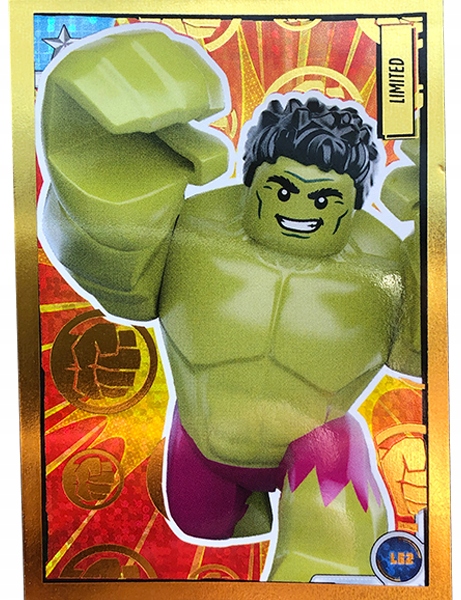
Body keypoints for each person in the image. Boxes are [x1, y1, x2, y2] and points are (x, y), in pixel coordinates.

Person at [37, 24, 421, 581]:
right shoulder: (192, 233)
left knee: (328, 533)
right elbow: (107, 253)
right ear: (255, 179)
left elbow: (424, 347)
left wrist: (439, 217)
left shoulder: (386, 265)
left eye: (324, 198)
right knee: (203, 524)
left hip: (319, 445)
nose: (300, 209)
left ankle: (329, 567)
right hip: (204, 440)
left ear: (353, 202)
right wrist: (97, 109)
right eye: (284, 189)